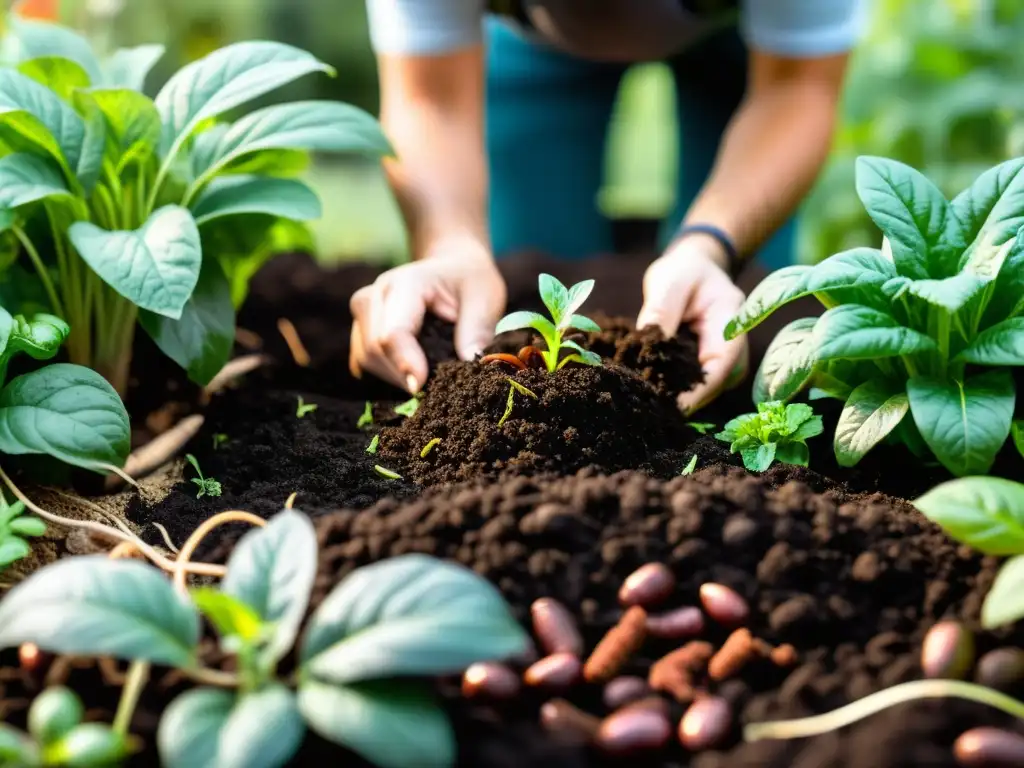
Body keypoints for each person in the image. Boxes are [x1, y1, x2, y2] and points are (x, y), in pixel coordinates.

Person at [350, 0, 864, 412]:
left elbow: (798, 85)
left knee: (736, 320)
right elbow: (430, 98)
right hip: (533, 41)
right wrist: (450, 247)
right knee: (518, 282)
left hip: (747, 38)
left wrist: (710, 248)